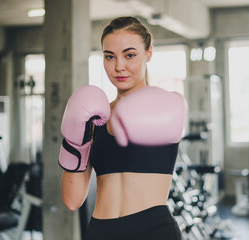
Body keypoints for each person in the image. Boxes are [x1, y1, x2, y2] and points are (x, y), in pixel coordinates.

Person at [59, 16, 187, 240]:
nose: (119, 66)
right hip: (100, 231)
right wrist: (74, 142)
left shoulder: (165, 107)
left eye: (130, 55)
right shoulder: (94, 118)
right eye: (110, 57)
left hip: (153, 232)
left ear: (148, 53)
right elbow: (72, 200)